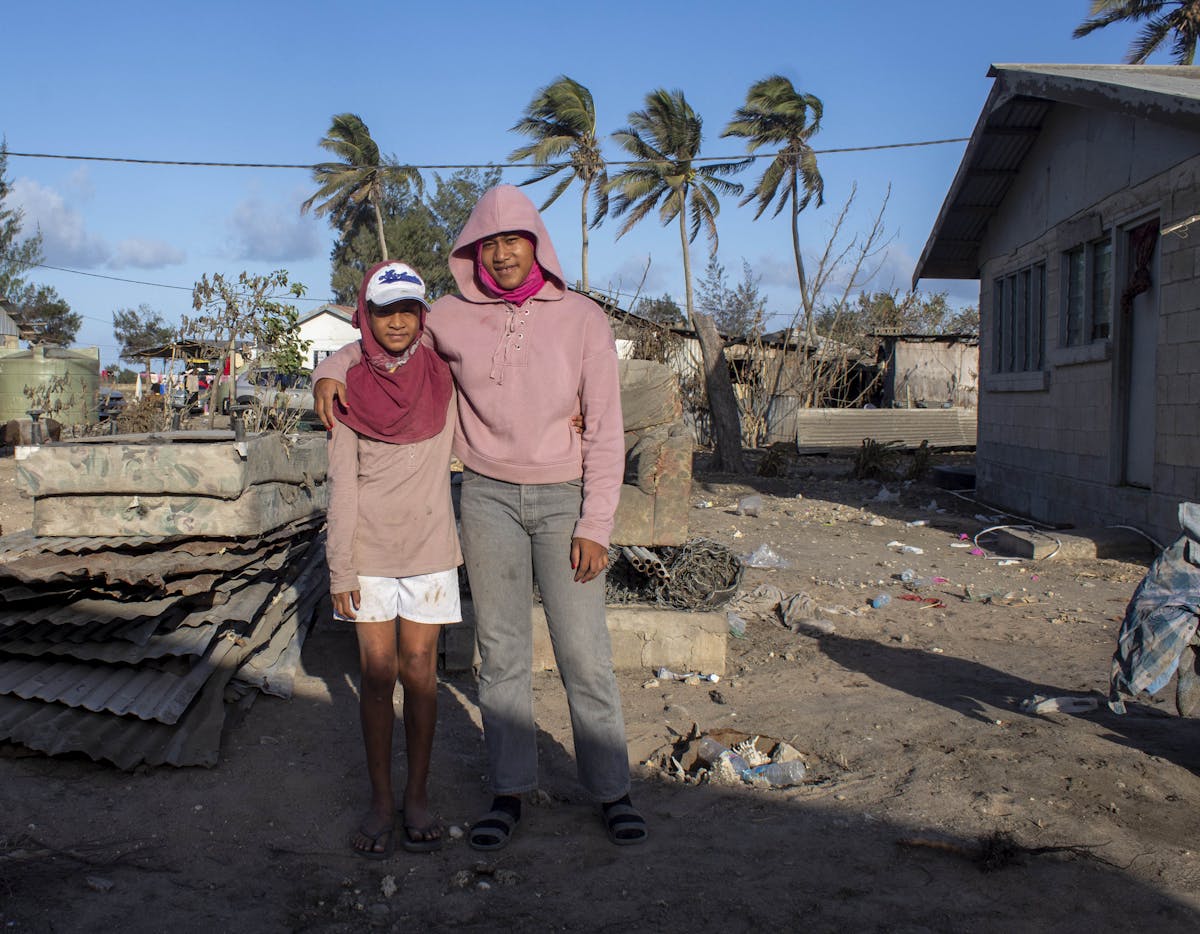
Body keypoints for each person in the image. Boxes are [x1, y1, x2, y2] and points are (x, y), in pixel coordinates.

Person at [314, 184, 647, 848]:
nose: (501, 254)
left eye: (512, 240)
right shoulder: (452, 314)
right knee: (501, 653)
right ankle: (509, 792)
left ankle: (611, 790)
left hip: (564, 501)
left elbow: (607, 430)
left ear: (536, 244)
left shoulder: (583, 318)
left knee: (584, 652)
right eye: (487, 243)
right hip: (488, 497)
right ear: (473, 251)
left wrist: (596, 523)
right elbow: (384, 338)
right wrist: (328, 367)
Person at [325, 260, 461, 859]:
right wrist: (340, 567)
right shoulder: (347, 388)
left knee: (421, 675)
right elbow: (342, 485)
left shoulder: (444, 378)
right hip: (370, 553)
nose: (398, 321)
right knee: (378, 678)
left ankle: (418, 795)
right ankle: (382, 800)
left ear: (422, 313)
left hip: (431, 549)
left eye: (409, 309)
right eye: (385, 311)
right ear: (366, 315)